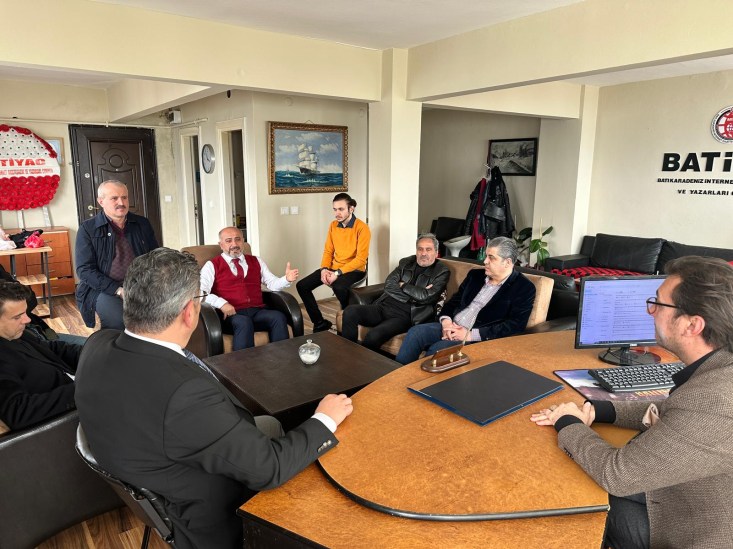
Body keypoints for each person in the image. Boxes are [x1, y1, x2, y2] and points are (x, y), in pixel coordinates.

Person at [74, 248, 353, 549]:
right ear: (188, 312)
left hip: (155, 457)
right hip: (216, 510)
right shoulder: (185, 395)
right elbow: (269, 468)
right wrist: (324, 419)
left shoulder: (97, 344)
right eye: (199, 298)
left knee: (271, 424)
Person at [531, 256, 733, 549]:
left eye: (658, 303)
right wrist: (598, 409)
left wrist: (567, 421)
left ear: (692, 325)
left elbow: (617, 474)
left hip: (692, 526)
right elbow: (673, 410)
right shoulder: (720, 368)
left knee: (576, 501)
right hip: (688, 488)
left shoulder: (713, 400)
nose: (650, 311)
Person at [395, 236, 535, 364]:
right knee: (415, 333)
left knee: (438, 349)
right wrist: (446, 322)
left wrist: (469, 335)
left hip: (475, 338)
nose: (485, 261)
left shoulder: (524, 288)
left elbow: (515, 325)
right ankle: (396, 378)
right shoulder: (475, 275)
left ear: (507, 262)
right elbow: (453, 302)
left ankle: (417, 382)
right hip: (451, 326)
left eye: (491, 258)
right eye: (486, 256)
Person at [341, 233, 450, 352]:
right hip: (383, 306)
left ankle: (365, 362)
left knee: (373, 336)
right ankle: (349, 354)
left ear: (436, 252)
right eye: (420, 249)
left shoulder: (441, 271)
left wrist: (403, 285)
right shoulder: (406, 262)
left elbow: (426, 297)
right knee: (350, 311)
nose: (423, 253)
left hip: (405, 316)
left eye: (428, 249)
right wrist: (415, 294)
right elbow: (389, 285)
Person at [75, 180, 159, 330]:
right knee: (120, 321)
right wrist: (118, 290)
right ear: (101, 201)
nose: (121, 202)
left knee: (164, 315)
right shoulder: (88, 228)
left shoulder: (142, 223)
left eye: (124, 197)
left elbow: (155, 257)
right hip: (104, 288)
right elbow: (84, 270)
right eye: (114, 198)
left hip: (141, 285)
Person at [201, 226, 299, 350]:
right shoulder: (212, 265)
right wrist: (221, 303)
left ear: (243, 241)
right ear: (221, 245)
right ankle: (243, 362)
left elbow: (272, 283)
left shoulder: (256, 261)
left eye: (238, 239)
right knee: (244, 322)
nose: (234, 244)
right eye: (228, 241)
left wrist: (286, 279)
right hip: (230, 316)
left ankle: (280, 358)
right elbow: (201, 292)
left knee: (277, 317)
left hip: (257, 312)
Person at [0, 281, 80, 430]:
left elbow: (52, 349)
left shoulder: (15, 334)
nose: (28, 320)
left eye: (25, 312)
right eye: (17, 317)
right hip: (69, 419)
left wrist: (92, 353)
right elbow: (18, 412)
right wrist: (84, 389)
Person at [297, 193, 370, 332]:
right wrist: (324, 269)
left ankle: (349, 320)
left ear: (351, 209)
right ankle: (319, 323)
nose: (337, 213)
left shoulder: (362, 228)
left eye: (341, 209)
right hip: (334, 268)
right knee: (302, 286)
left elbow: (361, 259)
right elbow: (328, 251)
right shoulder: (333, 225)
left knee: (339, 286)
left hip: (355, 270)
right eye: (335, 209)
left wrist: (337, 273)